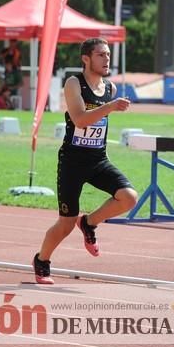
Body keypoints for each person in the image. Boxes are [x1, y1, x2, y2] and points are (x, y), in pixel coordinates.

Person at [32, 38, 137, 284]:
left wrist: (108, 106)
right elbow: (79, 119)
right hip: (73, 161)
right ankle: (42, 260)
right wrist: (109, 107)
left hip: (98, 159)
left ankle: (89, 223)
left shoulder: (109, 88)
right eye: (101, 55)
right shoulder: (74, 83)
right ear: (86, 59)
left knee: (129, 197)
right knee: (66, 223)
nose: (107, 59)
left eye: (108, 55)